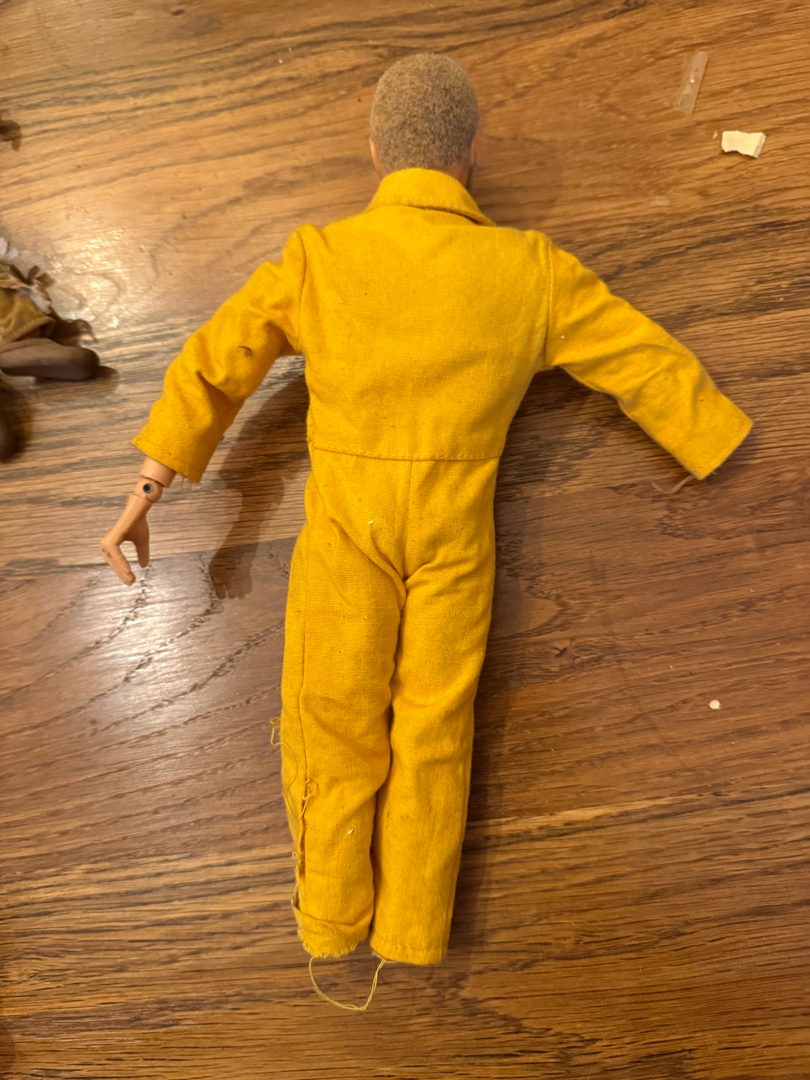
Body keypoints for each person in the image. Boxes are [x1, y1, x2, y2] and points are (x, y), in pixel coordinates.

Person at [101, 53, 751, 971]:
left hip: (347, 526)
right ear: (471, 153)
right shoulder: (529, 270)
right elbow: (641, 358)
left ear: (375, 152)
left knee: (331, 716)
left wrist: (148, 488)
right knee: (436, 726)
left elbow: (217, 361)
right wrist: (712, 435)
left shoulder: (319, 260)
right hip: (456, 528)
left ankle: (331, 920)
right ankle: (413, 929)